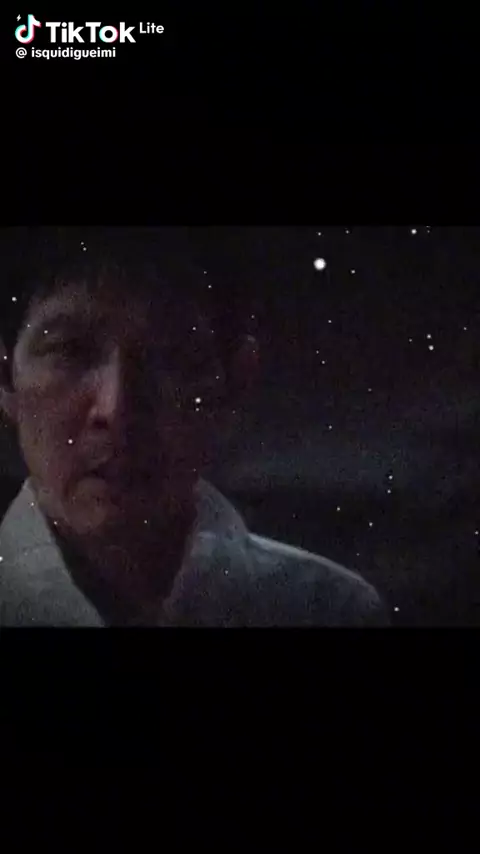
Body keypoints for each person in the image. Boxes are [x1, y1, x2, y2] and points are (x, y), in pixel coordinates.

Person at [0, 227, 389, 626]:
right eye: (69, 351)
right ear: (6, 377)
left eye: (168, 358)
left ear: (235, 383)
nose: (116, 409)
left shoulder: (327, 611)